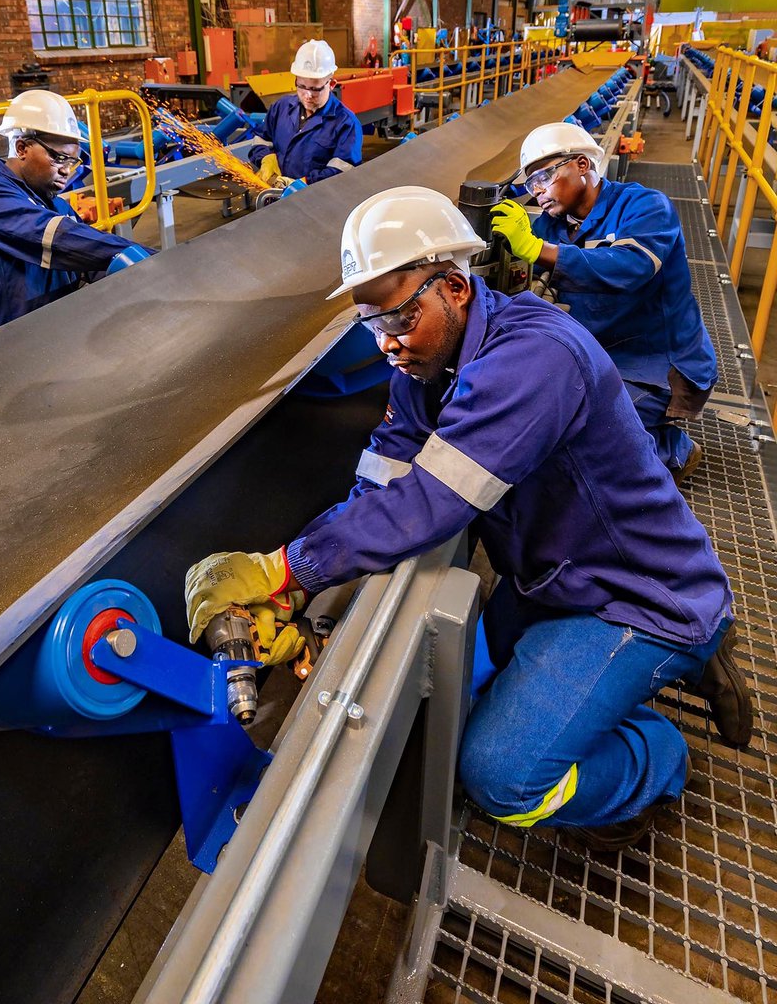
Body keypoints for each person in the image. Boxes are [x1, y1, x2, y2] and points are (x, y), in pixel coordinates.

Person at [185, 186, 753, 850]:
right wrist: (299, 581)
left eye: (399, 318)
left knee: (499, 778)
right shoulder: (425, 367)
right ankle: (684, 659)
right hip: (554, 580)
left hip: (636, 596)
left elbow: (433, 501)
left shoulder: (535, 358)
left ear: (454, 287)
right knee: (467, 687)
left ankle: (659, 754)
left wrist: (278, 566)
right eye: (373, 325)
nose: (388, 345)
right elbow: (384, 485)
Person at [491, 122, 717, 483]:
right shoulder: (553, 226)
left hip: (659, 365)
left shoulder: (645, 206)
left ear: (582, 165)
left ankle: (674, 450)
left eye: (544, 177)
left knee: (588, 438)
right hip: (603, 353)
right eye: (530, 185)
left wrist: (536, 250)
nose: (538, 194)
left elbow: (633, 266)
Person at [0, 89, 150, 338]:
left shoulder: (53, 203)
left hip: (54, 330)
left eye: (72, 162)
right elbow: (61, 240)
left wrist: (142, 279)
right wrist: (153, 262)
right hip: (5, 343)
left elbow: (91, 261)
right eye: (59, 158)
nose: (66, 171)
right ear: (22, 148)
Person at [249, 40, 362, 197]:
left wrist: (305, 183)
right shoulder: (280, 108)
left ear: (332, 84)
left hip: (317, 203)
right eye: (302, 86)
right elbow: (261, 139)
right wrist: (265, 157)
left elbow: (343, 170)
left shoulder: (346, 123)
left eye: (315, 89)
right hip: (276, 201)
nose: (308, 95)